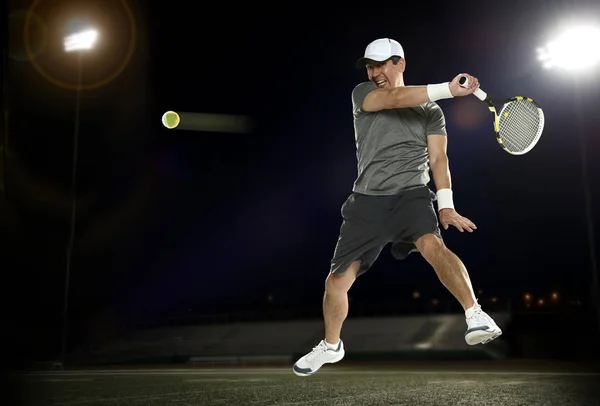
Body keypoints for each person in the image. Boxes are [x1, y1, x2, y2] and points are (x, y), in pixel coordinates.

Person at [292, 38, 502, 377]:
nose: (375, 72)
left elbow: (439, 158)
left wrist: (446, 205)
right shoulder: (363, 93)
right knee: (335, 283)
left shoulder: (431, 112)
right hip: (367, 202)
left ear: (400, 64)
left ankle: (475, 314)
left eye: (382, 65)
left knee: (433, 245)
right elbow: (394, 98)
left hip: (411, 196)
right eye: (370, 66)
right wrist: (449, 88)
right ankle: (331, 347)